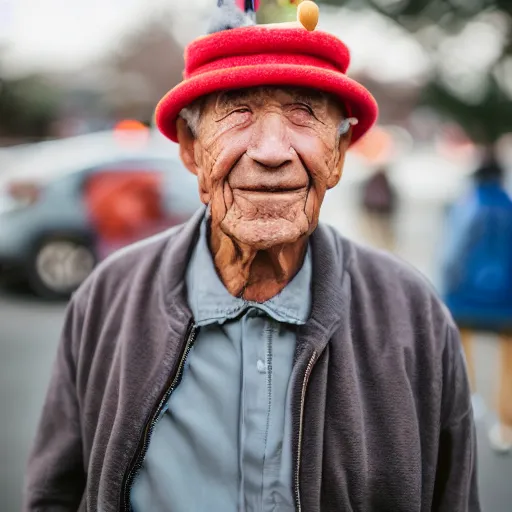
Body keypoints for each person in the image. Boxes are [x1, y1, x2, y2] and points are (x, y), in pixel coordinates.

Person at [24, 2, 480, 511]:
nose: (270, 151)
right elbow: (55, 495)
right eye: (237, 111)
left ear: (340, 152)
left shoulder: (412, 313)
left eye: (303, 113)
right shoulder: (108, 298)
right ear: (191, 151)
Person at [440, 150, 512, 453]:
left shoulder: (467, 206)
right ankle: (506, 429)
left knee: (460, 353)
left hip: (465, 297)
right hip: (506, 300)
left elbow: (453, 254)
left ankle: (468, 407)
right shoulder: (509, 207)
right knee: (507, 364)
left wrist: (445, 290)